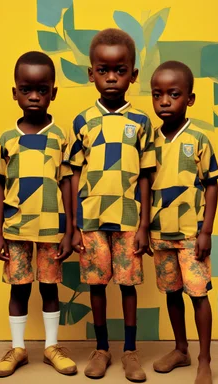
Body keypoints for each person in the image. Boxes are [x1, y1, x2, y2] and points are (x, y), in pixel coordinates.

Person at [0, 51, 77, 377]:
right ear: (15, 93)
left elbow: (67, 184)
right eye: (26, 89)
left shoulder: (62, 137)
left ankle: (51, 346)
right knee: (19, 288)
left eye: (41, 89)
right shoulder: (6, 139)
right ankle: (18, 347)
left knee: (49, 288)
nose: (34, 96)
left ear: (53, 92)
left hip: (52, 229)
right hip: (16, 229)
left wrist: (70, 231)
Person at [69, 28, 156, 381]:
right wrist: (75, 224)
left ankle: (130, 351)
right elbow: (73, 175)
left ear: (133, 75)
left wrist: (145, 224)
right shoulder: (83, 121)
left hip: (129, 220)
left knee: (128, 284)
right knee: (96, 285)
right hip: (91, 220)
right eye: (103, 70)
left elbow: (148, 176)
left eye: (119, 70)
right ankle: (102, 348)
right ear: (91, 73)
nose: (111, 77)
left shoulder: (141, 122)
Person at [150, 60, 218, 384]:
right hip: (160, 234)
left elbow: (212, 185)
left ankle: (204, 360)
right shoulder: (148, 141)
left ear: (190, 99)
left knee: (198, 294)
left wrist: (206, 231)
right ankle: (181, 349)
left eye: (174, 94)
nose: (165, 101)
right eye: (157, 94)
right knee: (171, 293)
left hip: (192, 235)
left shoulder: (199, 139)